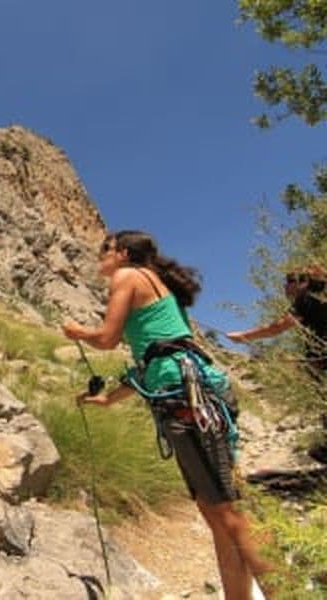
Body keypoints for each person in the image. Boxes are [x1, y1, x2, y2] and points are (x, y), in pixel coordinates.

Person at [62, 230, 276, 600]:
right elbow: (156, 355)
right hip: (188, 397)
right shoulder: (157, 286)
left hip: (188, 401)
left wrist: (78, 332)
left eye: (105, 251)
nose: (101, 258)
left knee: (227, 512)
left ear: (123, 253)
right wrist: (111, 398)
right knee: (216, 516)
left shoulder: (127, 277)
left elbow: (109, 338)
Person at [227, 266, 327, 378]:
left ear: (300, 283)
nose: (285, 286)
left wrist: (242, 337)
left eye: (288, 282)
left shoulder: (305, 300)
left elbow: (276, 328)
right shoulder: (319, 298)